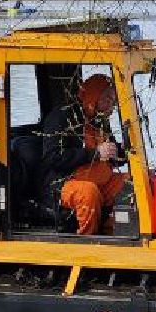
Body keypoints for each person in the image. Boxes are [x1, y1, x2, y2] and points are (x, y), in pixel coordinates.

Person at [39, 73, 124, 234]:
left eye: (113, 101)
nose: (111, 106)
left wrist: (121, 150)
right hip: (65, 184)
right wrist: (95, 153)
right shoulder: (61, 117)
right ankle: (88, 240)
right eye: (107, 99)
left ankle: (113, 231)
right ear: (93, 95)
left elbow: (110, 154)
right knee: (88, 192)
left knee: (129, 183)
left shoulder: (99, 120)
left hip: (100, 179)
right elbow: (52, 157)